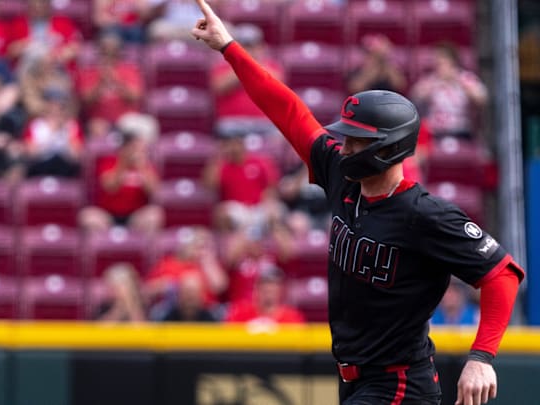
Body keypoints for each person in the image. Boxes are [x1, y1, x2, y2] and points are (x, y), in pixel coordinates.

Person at [191, 2, 525, 405]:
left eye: (356, 140)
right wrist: (229, 46)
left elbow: (501, 275)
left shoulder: (422, 213)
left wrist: (482, 357)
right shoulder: (342, 175)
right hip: (356, 379)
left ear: (387, 148)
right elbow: (289, 111)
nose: (344, 146)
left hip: (398, 385)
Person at [78, 130, 163, 235]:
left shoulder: (146, 166)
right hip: (108, 214)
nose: (139, 152)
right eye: (135, 148)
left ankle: (142, 250)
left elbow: (154, 190)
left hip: (135, 216)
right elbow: (111, 187)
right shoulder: (108, 162)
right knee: (88, 217)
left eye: (141, 149)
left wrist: (142, 167)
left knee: (154, 215)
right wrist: (123, 164)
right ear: (124, 148)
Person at [202, 130, 283, 234]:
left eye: (237, 143)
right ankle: (228, 244)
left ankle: (273, 247)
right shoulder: (222, 165)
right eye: (231, 145)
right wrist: (218, 157)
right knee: (220, 214)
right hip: (236, 209)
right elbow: (209, 185)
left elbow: (272, 186)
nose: (234, 148)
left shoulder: (260, 162)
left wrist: (267, 202)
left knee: (275, 211)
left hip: (259, 207)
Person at [410, 42, 488, 139]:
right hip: (435, 132)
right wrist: (432, 86)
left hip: (461, 130)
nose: (439, 63)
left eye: (443, 60)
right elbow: (415, 97)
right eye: (437, 60)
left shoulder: (466, 78)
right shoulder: (431, 80)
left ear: (453, 62)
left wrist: (460, 82)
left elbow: (482, 99)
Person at [77, 30, 144, 139]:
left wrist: (117, 81)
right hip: (99, 121)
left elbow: (135, 97)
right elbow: (86, 101)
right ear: (99, 51)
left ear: (119, 52)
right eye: (104, 51)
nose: (108, 56)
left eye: (113, 52)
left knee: (141, 126)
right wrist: (100, 83)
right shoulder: (88, 72)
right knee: (95, 128)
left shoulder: (129, 70)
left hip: (126, 120)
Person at [145, 226, 227, 304]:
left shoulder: (209, 264)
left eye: (204, 244)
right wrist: (166, 285)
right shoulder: (168, 264)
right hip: (174, 311)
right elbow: (147, 291)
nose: (199, 247)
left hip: (205, 311)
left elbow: (220, 287)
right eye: (196, 241)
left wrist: (207, 261)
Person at [22, 88, 83, 178]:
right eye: (51, 104)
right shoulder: (35, 125)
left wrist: (63, 131)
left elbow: (75, 156)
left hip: (65, 168)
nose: (55, 108)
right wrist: (52, 133)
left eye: (59, 105)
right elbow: (31, 154)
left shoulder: (72, 125)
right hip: (40, 167)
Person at [5, 0, 83, 71]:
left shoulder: (63, 22)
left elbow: (74, 48)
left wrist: (55, 56)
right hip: (28, 69)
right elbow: (10, 51)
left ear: (48, 5)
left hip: (55, 69)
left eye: (42, 3)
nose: (38, 7)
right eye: (34, 4)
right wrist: (26, 45)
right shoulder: (19, 24)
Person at [225, 265, 305, 324]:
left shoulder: (292, 318)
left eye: (274, 284)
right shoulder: (240, 313)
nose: (269, 288)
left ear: (281, 289)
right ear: (257, 288)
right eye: (265, 283)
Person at [152, 273, 219, 322]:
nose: (190, 302)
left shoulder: (210, 322)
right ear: (179, 296)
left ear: (201, 297)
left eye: (193, 295)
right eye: (186, 294)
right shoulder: (169, 320)